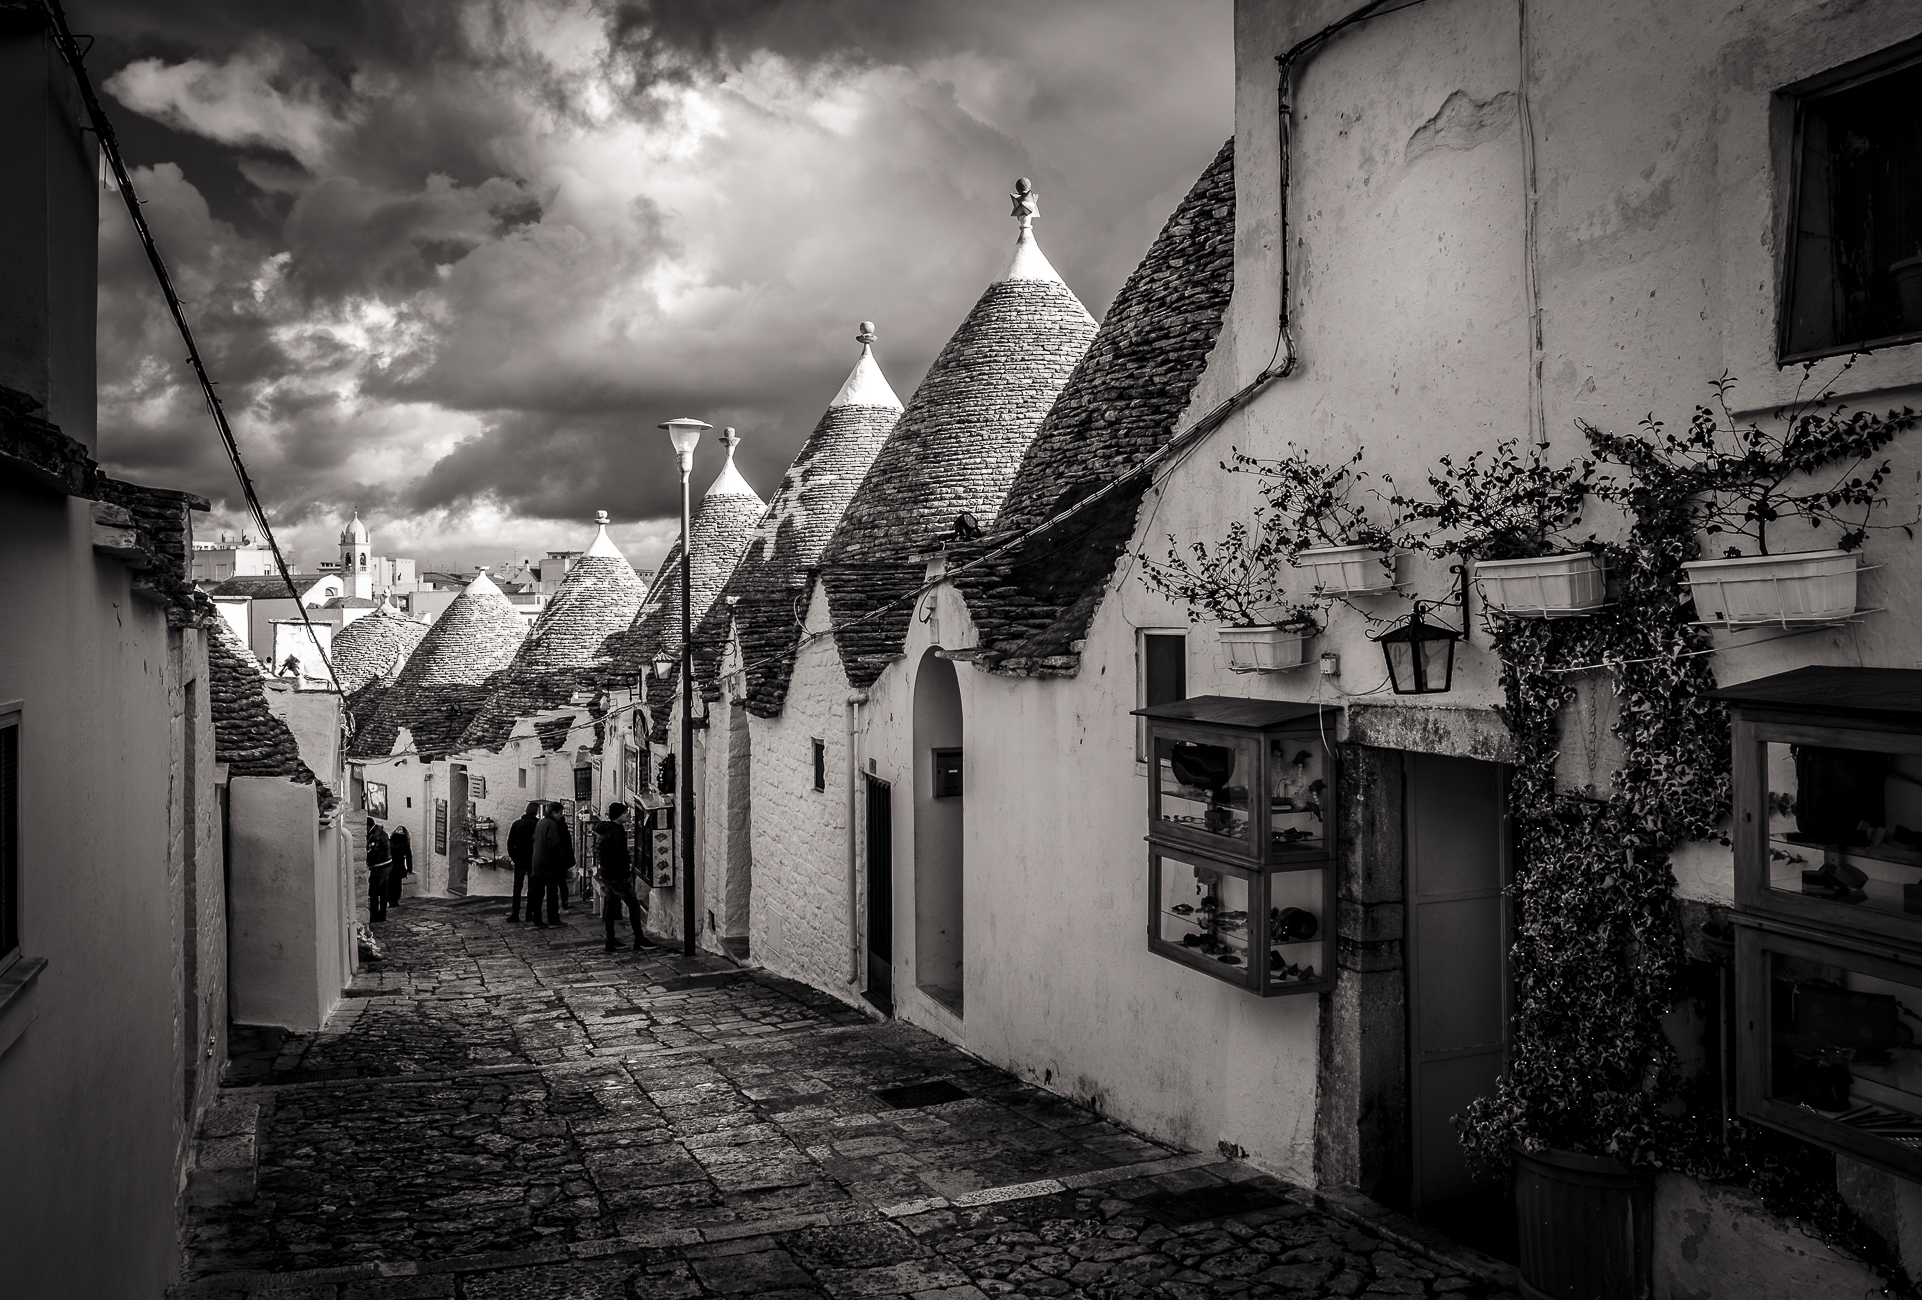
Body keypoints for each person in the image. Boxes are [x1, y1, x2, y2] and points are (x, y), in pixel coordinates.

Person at [594, 804, 653, 953]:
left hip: (608, 874)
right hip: (617, 875)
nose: (627, 814)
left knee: (611, 906)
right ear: (617, 815)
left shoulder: (608, 829)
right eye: (624, 812)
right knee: (633, 905)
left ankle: (610, 940)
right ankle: (639, 939)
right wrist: (625, 872)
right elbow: (617, 856)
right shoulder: (615, 832)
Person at [530, 802, 574, 928]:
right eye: (560, 813)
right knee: (552, 893)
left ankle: (537, 920)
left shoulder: (541, 822)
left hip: (537, 862)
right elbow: (554, 845)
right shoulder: (552, 824)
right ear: (554, 812)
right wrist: (561, 859)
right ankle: (553, 919)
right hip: (548, 864)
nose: (561, 815)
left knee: (538, 894)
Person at [506, 802, 540, 921]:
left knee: (517, 887)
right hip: (533, 859)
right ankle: (529, 913)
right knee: (532, 888)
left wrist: (514, 857)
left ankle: (515, 913)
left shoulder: (517, 824)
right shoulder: (537, 825)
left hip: (520, 859)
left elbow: (510, 843)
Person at [366, 819, 392, 922]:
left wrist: (368, 863)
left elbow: (374, 852)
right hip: (387, 865)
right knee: (384, 892)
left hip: (379, 866)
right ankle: (382, 915)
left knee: (374, 893)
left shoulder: (375, 836)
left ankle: (374, 916)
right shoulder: (381, 832)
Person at [387, 824, 413, 909]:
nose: (399, 830)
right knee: (390, 882)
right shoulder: (391, 840)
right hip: (390, 864)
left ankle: (395, 900)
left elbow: (408, 855)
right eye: (398, 828)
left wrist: (409, 868)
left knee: (397, 883)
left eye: (401, 829)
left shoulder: (405, 843)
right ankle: (391, 900)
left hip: (399, 865)